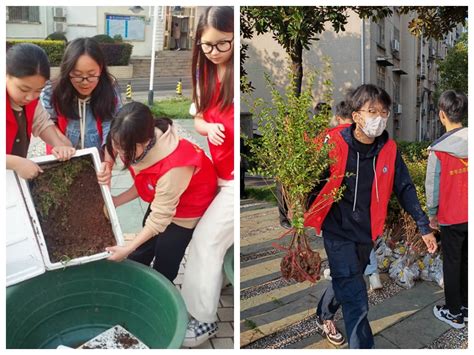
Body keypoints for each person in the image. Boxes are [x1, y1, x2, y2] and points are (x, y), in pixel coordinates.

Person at [304, 84, 437, 349]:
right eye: (371, 111)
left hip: (367, 231)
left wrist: (424, 226)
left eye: (383, 112)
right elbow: (306, 182)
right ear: (356, 116)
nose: (379, 118)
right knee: (356, 296)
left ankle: (324, 314)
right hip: (337, 229)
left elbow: (405, 187)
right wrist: (299, 217)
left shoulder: (388, 149)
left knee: (348, 278)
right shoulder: (333, 144)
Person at [100, 102, 217, 282]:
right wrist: (115, 200)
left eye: (125, 148)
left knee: (166, 259)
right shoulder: (143, 138)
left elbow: (159, 219)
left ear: (145, 141)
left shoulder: (174, 167)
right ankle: (132, 282)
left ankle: (160, 292)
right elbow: (147, 184)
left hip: (186, 212)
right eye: (117, 145)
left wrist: (126, 248)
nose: (120, 153)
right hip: (165, 200)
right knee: (142, 248)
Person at [180, 6, 234, 347]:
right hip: (215, 176)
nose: (213, 52)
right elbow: (198, 118)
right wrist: (208, 126)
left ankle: (202, 319)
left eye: (222, 44)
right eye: (206, 45)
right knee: (206, 241)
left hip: (231, 181)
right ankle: (212, 289)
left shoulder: (235, 76)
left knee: (205, 242)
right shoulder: (205, 73)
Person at [40, 37, 121, 182]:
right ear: (67, 70)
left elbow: (111, 128)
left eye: (91, 75)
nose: (85, 82)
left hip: (96, 161)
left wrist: (108, 164)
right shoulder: (52, 92)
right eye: (77, 75)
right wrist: (61, 143)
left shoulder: (110, 90)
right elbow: (45, 123)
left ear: (101, 69)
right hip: (61, 158)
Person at [426, 90, 468, 329]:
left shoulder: (439, 149)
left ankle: (454, 314)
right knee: (467, 261)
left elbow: (432, 186)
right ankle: (466, 306)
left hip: (452, 217)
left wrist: (432, 214)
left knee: (451, 262)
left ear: (442, 115)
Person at [6, 43, 75, 179]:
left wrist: (58, 144)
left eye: (38, 90)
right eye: (23, 89)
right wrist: (15, 163)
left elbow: (42, 123)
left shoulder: (32, 102)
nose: (30, 97)